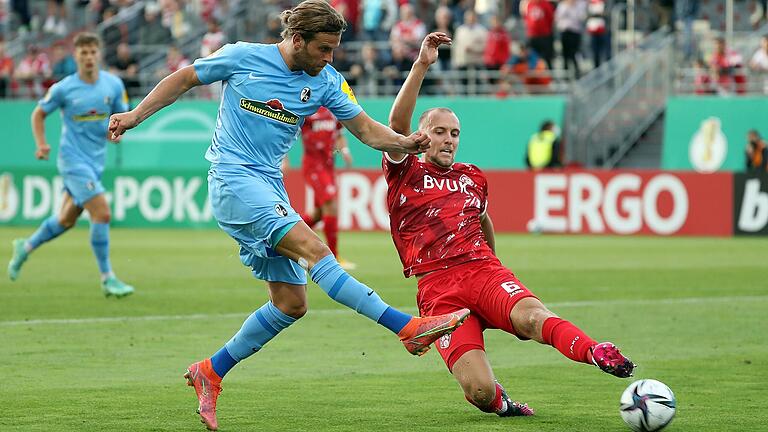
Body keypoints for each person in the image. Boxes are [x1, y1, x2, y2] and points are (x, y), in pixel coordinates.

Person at [107, 2, 469, 430]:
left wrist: (406, 143)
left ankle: (210, 371)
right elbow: (185, 77)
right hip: (233, 179)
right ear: (297, 40)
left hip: (269, 186)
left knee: (291, 304)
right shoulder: (243, 56)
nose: (330, 58)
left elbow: (367, 129)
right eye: (323, 49)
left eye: (334, 50)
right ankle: (407, 328)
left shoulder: (327, 80)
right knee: (316, 250)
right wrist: (134, 115)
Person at [384, 32, 635, 418]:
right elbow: (396, 124)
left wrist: (493, 267)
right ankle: (501, 401)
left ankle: (595, 351)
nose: (449, 140)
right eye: (439, 132)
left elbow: (483, 218)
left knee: (535, 318)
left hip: (483, 272)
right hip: (438, 290)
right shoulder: (407, 168)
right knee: (480, 393)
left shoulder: (473, 176)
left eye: (455, 134)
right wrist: (421, 65)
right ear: (422, 135)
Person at [7, 32, 134, 298]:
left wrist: (116, 133)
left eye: (92, 52)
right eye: (83, 53)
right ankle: (107, 277)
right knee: (102, 213)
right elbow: (38, 114)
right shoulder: (64, 88)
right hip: (72, 160)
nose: (88, 57)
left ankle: (25, 247)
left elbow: (119, 119)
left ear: (98, 54)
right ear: (75, 56)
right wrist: (41, 144)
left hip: (96, 161)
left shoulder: (113, 85)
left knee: (66, 220)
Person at [299, 106, 356, 269]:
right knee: (331, 206)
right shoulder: (308, 109)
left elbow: (339, 134)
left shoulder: (332, 111)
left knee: (318, 214)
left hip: (328, 166)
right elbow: (287, 132)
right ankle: (334, 257)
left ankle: (283, 240)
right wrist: (284, 159)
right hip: (313, 165)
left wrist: (344, 150)